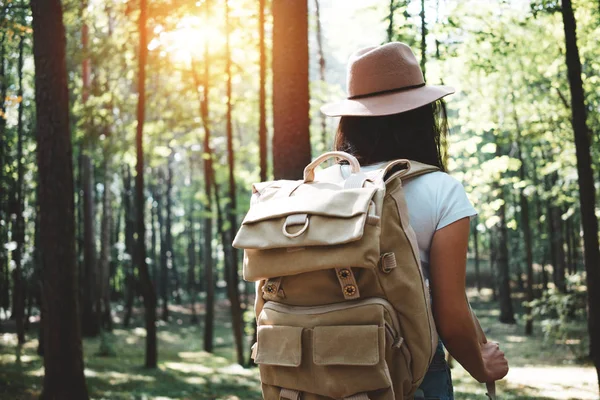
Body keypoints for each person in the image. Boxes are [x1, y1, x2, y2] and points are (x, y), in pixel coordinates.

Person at [320, 42, 509, 400]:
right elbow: (450, 315)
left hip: (319, 368)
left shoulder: (319, 185)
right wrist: (483, 366)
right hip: (410, 369)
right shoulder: (441, 190)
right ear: (422, 115)